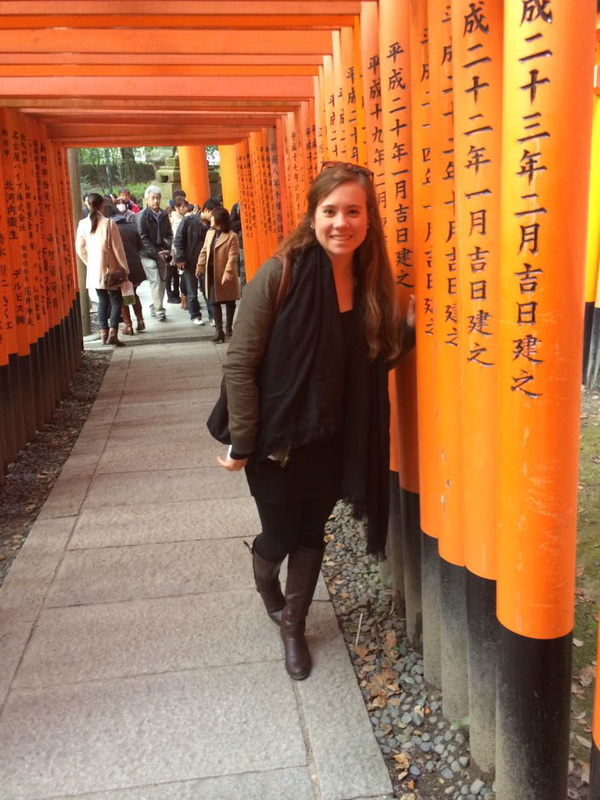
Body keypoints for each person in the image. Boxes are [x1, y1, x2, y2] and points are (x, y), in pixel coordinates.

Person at [217, 163, 416, 681]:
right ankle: (266, 582)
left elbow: (371, 359)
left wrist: (410, 331)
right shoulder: (279, 273)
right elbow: (240, 363)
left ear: (368, 219)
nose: (341, 223)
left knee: (312, 532)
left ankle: (293, 625)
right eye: (331, 211)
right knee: (279, 533)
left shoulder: (371, 282)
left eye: (354, 211)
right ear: (313, 216)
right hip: (277, 437)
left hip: (336, 436)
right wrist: (243, 442)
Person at [75, 192, 130, 346]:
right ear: (102, 205)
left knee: (102, 300)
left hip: (95, 270)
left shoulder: (83, 224)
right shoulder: (109, 223)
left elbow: (80, 249)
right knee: (116, 300)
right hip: (111, 269)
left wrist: (90, 263)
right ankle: (113, 332)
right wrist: (124, 268)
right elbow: (118, 249)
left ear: (87, 205)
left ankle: (103, 333)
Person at [196, 206, 239, 343]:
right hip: (212, 273)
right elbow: (204, 251)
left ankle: (229, 327)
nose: (211, 219)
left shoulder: (232, 236)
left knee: (230, 301)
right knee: (214, 302)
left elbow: (232, 257)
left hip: (225, 272)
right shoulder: (210, 233)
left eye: (213, 217)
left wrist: (228, 273)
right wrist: (200, 266)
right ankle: (219, 331)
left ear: (219, 219)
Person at [174, 199, 219, 326]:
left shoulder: (213, 225)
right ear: (206, 210)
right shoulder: (188, 221)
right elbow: (178, 239)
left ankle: (213, 315)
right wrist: (180, 258)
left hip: (205, 262)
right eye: (213, 213)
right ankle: (195, 315)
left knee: (207, 289)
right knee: (192, 291)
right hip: (189, 261)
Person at [105, 202, 146, 333]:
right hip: (135, 266)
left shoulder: (110, 229)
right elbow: (140, 246)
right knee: (132, 292)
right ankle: (140, 319)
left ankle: (128, 325)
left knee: (121, 296)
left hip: (119, 268)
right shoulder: (131, 226)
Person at [136, 185, 173, 321]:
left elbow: (169, 234)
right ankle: (159, 310)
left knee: (162, 281)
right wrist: (156, 253)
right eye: (153, 198)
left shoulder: (163, 214)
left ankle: (155, 306)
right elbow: (142, 238)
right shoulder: (142, 216)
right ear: (147, 199)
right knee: (155, 280)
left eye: (158, 198)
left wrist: (166, 247)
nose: (156, 201)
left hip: (162, 251)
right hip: (146, 254)